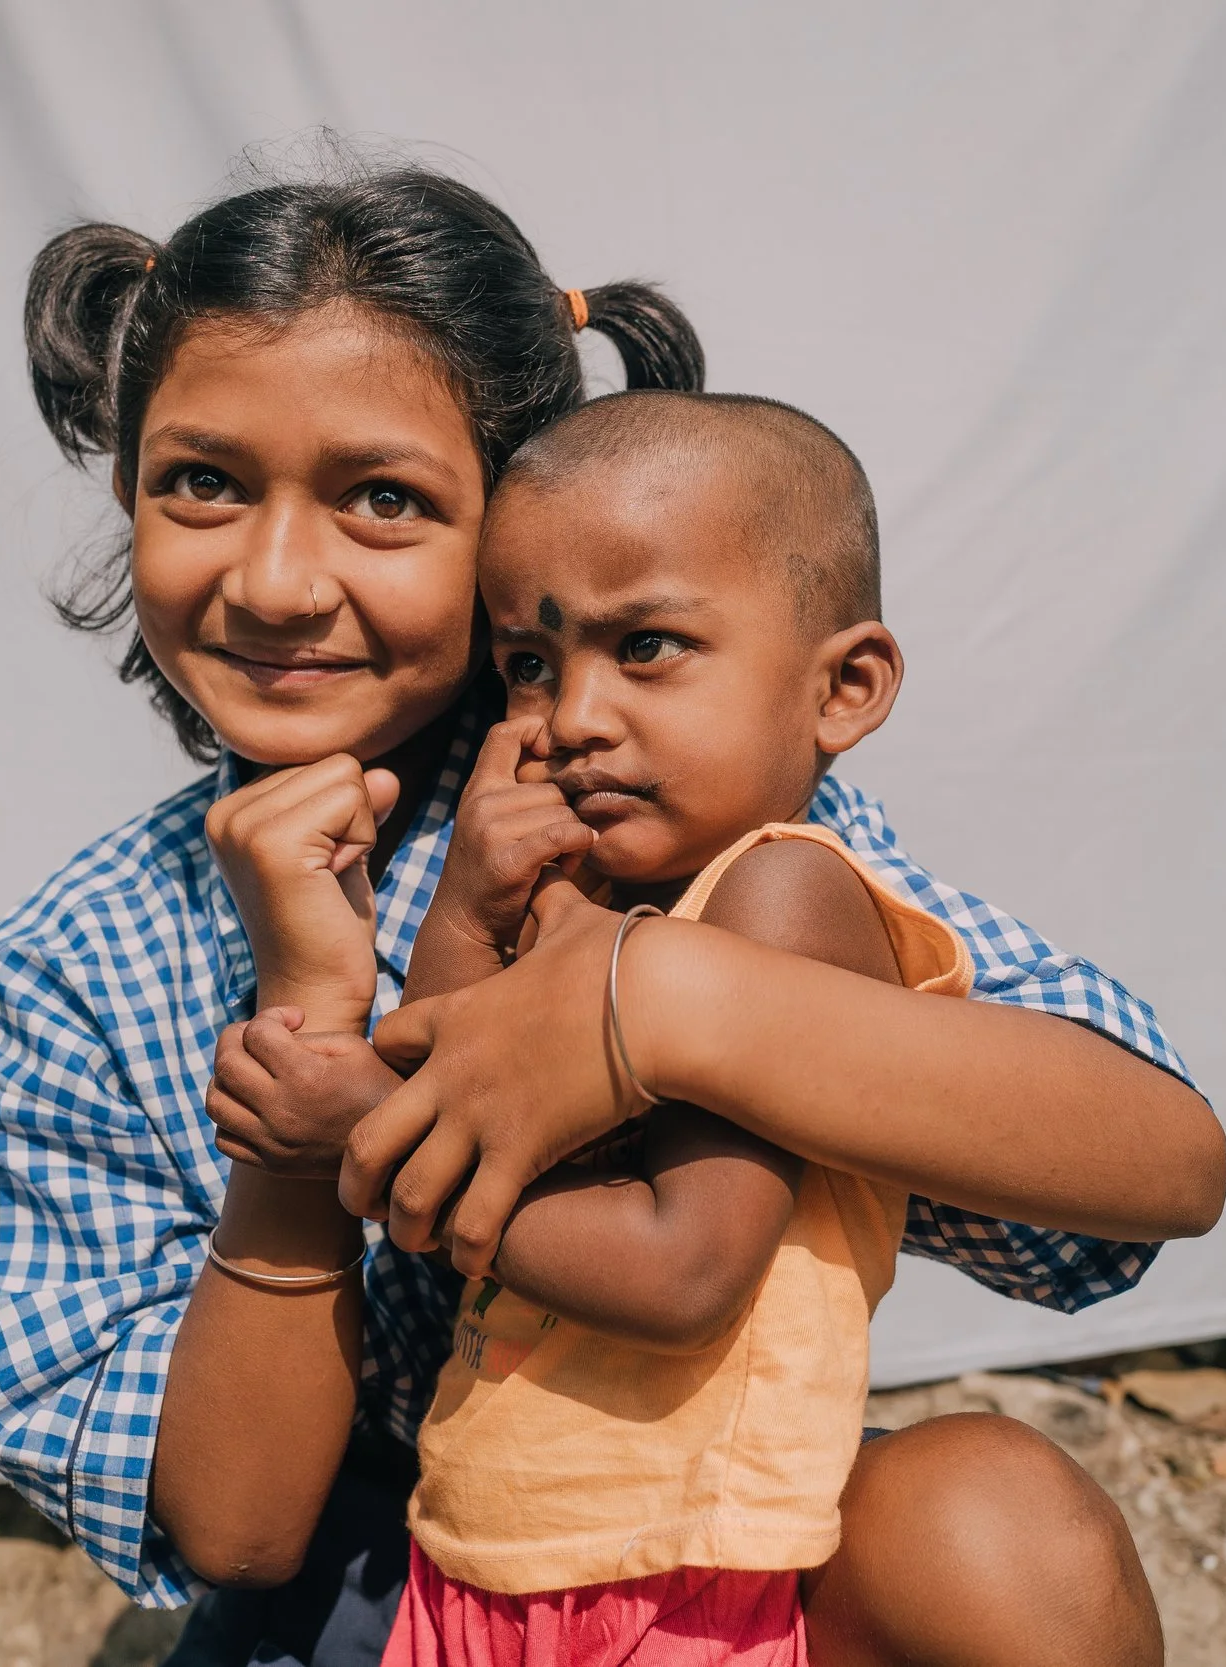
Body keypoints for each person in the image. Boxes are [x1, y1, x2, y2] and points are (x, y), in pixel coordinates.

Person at [0, 163, 1226, 1667]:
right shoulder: (66, 977)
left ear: (516, 522)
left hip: (690, 1550)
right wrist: (303, 1051)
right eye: (201, 480)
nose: (276, 579)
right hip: (366, 1603)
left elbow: (1157, 1169)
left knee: (992, 1523)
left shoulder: (647, 810)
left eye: (386, 498)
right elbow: (244, 1530)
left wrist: (667, 1004)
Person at [368, 387, 1027, 1666]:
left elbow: (683, 1272)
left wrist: (380, 1146)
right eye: (529, 665)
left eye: (648, 645)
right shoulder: (595, 902)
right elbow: (439, 1089)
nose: (573, 717)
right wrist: (464, 903)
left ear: (844, 688)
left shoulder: (781, 896)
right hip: (495, 1552)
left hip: (674, 1576)